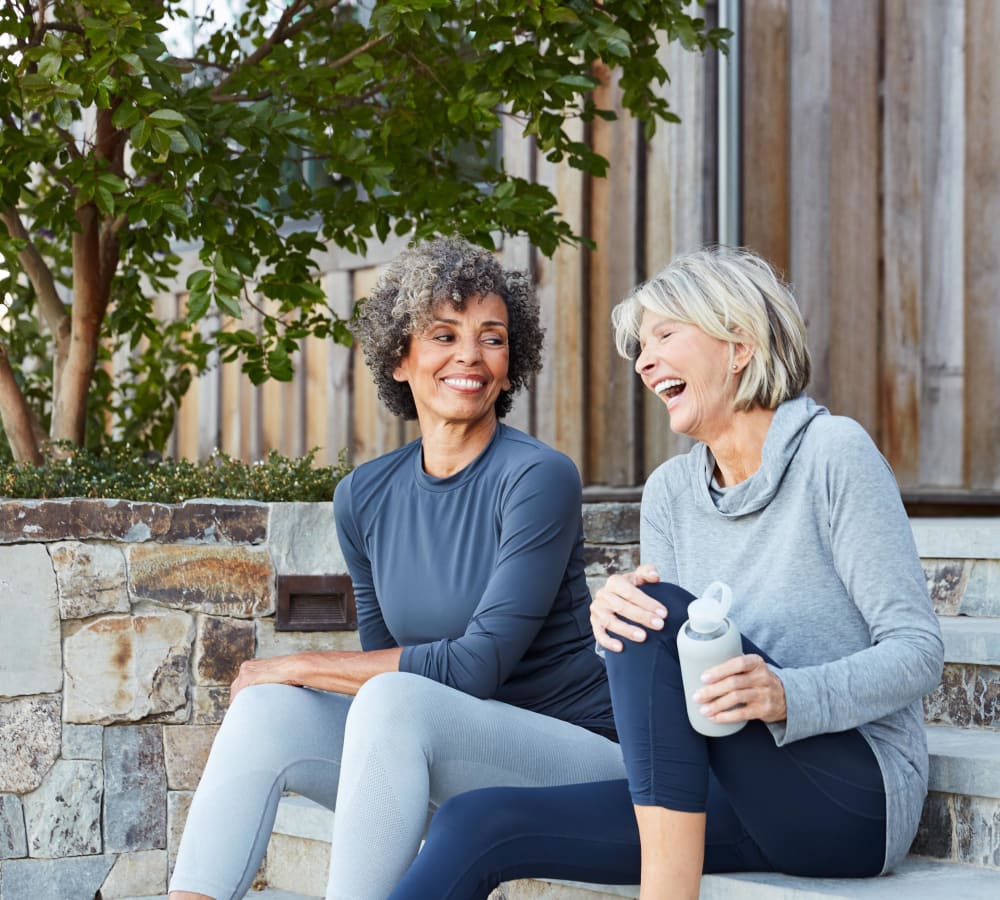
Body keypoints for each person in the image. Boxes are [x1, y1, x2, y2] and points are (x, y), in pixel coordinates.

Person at [387, 245, 945, 900]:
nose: (645, 361)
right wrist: (610, 620)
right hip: (726, 787)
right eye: (639, 348)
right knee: (476, 821)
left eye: (664, 335)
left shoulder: (832, 454)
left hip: (852, 798)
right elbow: (670, 697)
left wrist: (789, 694)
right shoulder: (671, 492)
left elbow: (918, 654)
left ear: (739, 342)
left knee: (658, 617)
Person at [167, 236, 625, 900]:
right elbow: (391, 658)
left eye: (492, 338)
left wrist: (296, 663)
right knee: (264, 709)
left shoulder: (537, 478)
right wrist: (285, 682)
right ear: (401, 359)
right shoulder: (365, 496)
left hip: (577, 760)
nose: (470, 354)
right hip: (447, 754)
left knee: (376, 695)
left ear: (511, 362)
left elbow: (474, 667)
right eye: (444, 334)